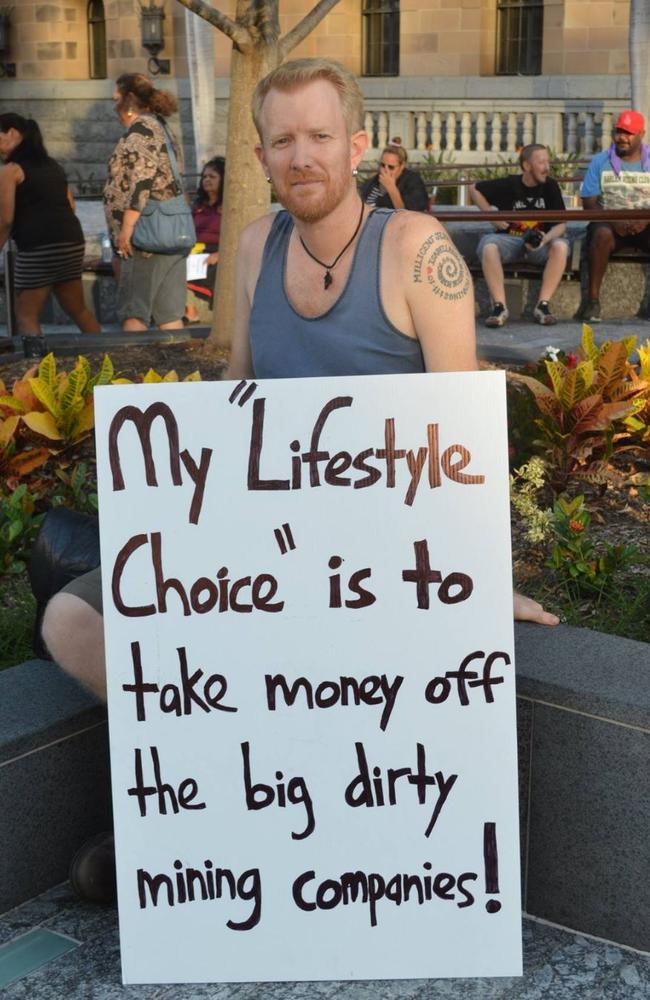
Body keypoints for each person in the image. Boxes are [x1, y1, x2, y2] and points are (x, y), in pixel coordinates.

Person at [41, 57, 558, 905]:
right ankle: (206, 811)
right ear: (260, 156)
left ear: (355, 145)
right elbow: (234, 406)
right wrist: (168, 519)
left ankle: (208, 834)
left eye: (320, 136)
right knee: (70, 618)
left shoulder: (415, 246)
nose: (302, 156)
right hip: (264, 549)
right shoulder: (251, 247)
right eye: (283, 141)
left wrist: (477, 577)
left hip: (385, 559)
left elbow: (462, 429)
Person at [0, 113, 100, 358]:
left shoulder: (10, 170)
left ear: (12, 133)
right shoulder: (53, 165)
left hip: (37, 247)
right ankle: (104, 356)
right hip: (71, 242)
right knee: (78, 310)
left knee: (26, 314)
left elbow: (5, 218)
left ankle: (34, 373)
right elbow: (71, 205)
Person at [104, 73, 189, 332]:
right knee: (169, 316)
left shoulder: (142, 128)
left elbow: (141, 180)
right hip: (168, 232)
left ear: (129, 99)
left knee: (134, 313)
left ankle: (135, 371)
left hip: (145, 236)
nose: (114, 105)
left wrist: (126, 230)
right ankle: (178, 369)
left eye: (116, 99)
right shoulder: (160, 125)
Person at [468, 145, 569, 328]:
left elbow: (561, 224)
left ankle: (542, 306)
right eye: (541, 162)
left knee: (561, 246)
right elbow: (474, 189)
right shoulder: (509, 184)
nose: (547, 167)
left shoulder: (551, 186)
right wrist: (492, 217)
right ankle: (500, 307)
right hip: (511, 240)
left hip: (540, 243)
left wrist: (544, 239)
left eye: (548, 162)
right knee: (489, 246)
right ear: (527, 165)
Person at [579, 109, 650, 323]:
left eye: (628, 133)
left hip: (646, 223)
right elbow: (589, 201)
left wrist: (644, 220)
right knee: (600, 233)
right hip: (609, 223)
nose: (622, 137)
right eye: (618, 131)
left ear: (641, 134)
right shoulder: (600, 161)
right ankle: (592, 301)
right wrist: (612, 219)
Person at [184, 156, 225, 324]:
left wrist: (220, 253)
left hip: (217, 251)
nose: (207, 180)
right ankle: (190, 312)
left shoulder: (228, 205)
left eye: (212, 177)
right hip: (195, 250)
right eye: (204, 177)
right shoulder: (198, 205)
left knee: (215, 270)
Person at [360, 143, 429, 212]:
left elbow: (407, 214)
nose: (385, 170)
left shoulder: (413, 182)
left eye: (391, 167)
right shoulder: (372, 182)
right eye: (383, 165)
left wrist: (391, 188)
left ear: (402, 166)